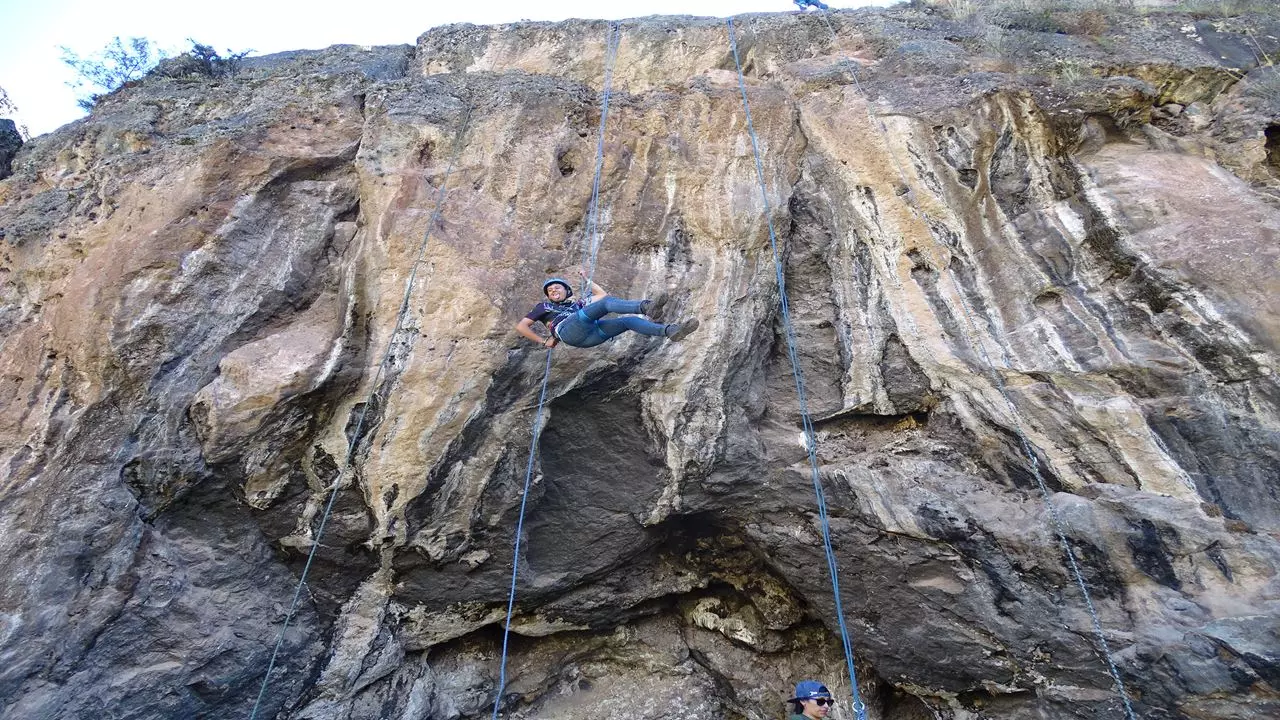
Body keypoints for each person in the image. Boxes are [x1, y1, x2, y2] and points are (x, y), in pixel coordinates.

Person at [515, 270, 699, 349]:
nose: (553, 290)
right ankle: (646, 307)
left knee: (628, 321)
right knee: (605, 305)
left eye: (557, 287)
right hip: (567, 330)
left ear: (567, 291)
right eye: (550, 290)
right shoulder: (544, 306)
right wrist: (543, 341)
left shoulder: (577, 305)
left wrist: (587, 280)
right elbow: (521, 326)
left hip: (589, 337)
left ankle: (671, 331)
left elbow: (601, 295)